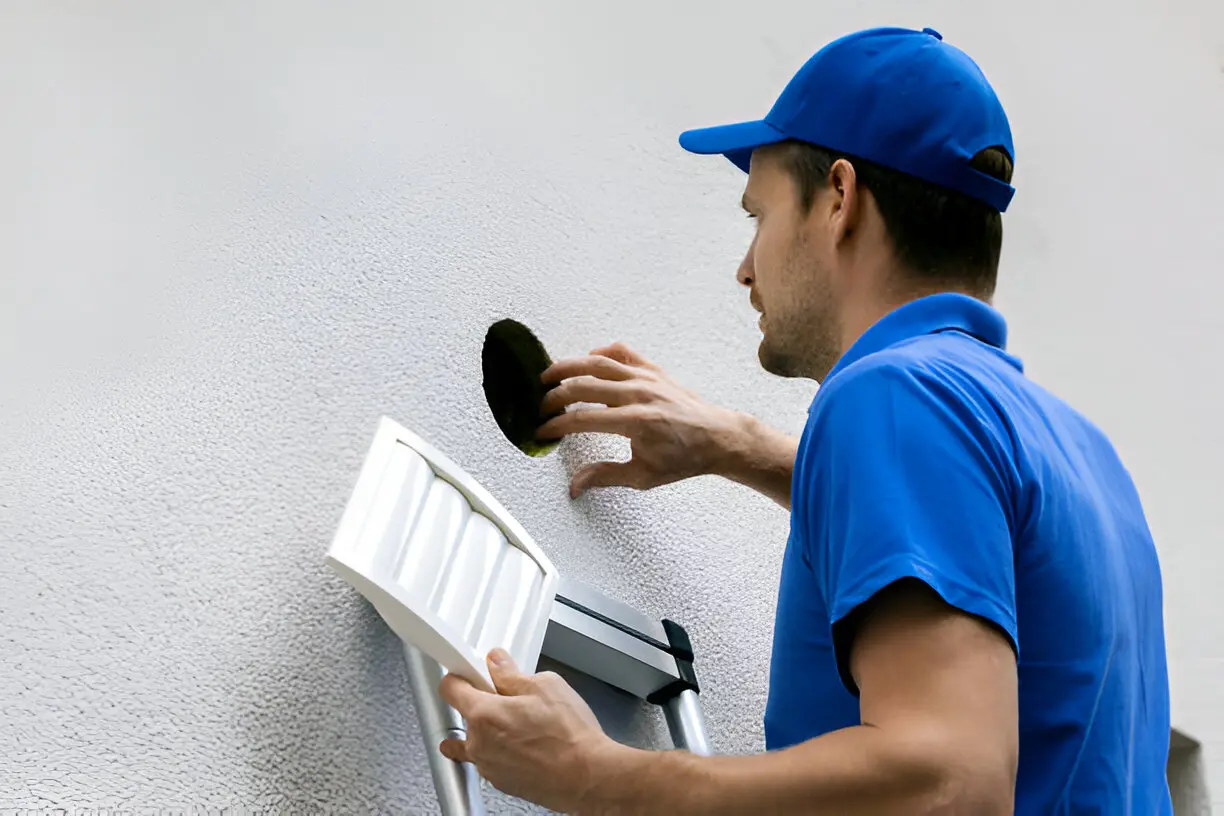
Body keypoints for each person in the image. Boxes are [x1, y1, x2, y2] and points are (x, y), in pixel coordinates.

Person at [438, 25, 1173, 814]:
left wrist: (595, 776)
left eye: (758, 215)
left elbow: (950, 782)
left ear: (840, 200)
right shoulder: (1083, 455)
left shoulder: (893, 398)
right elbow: (973, 532)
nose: (745, 267)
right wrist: (745, 448)